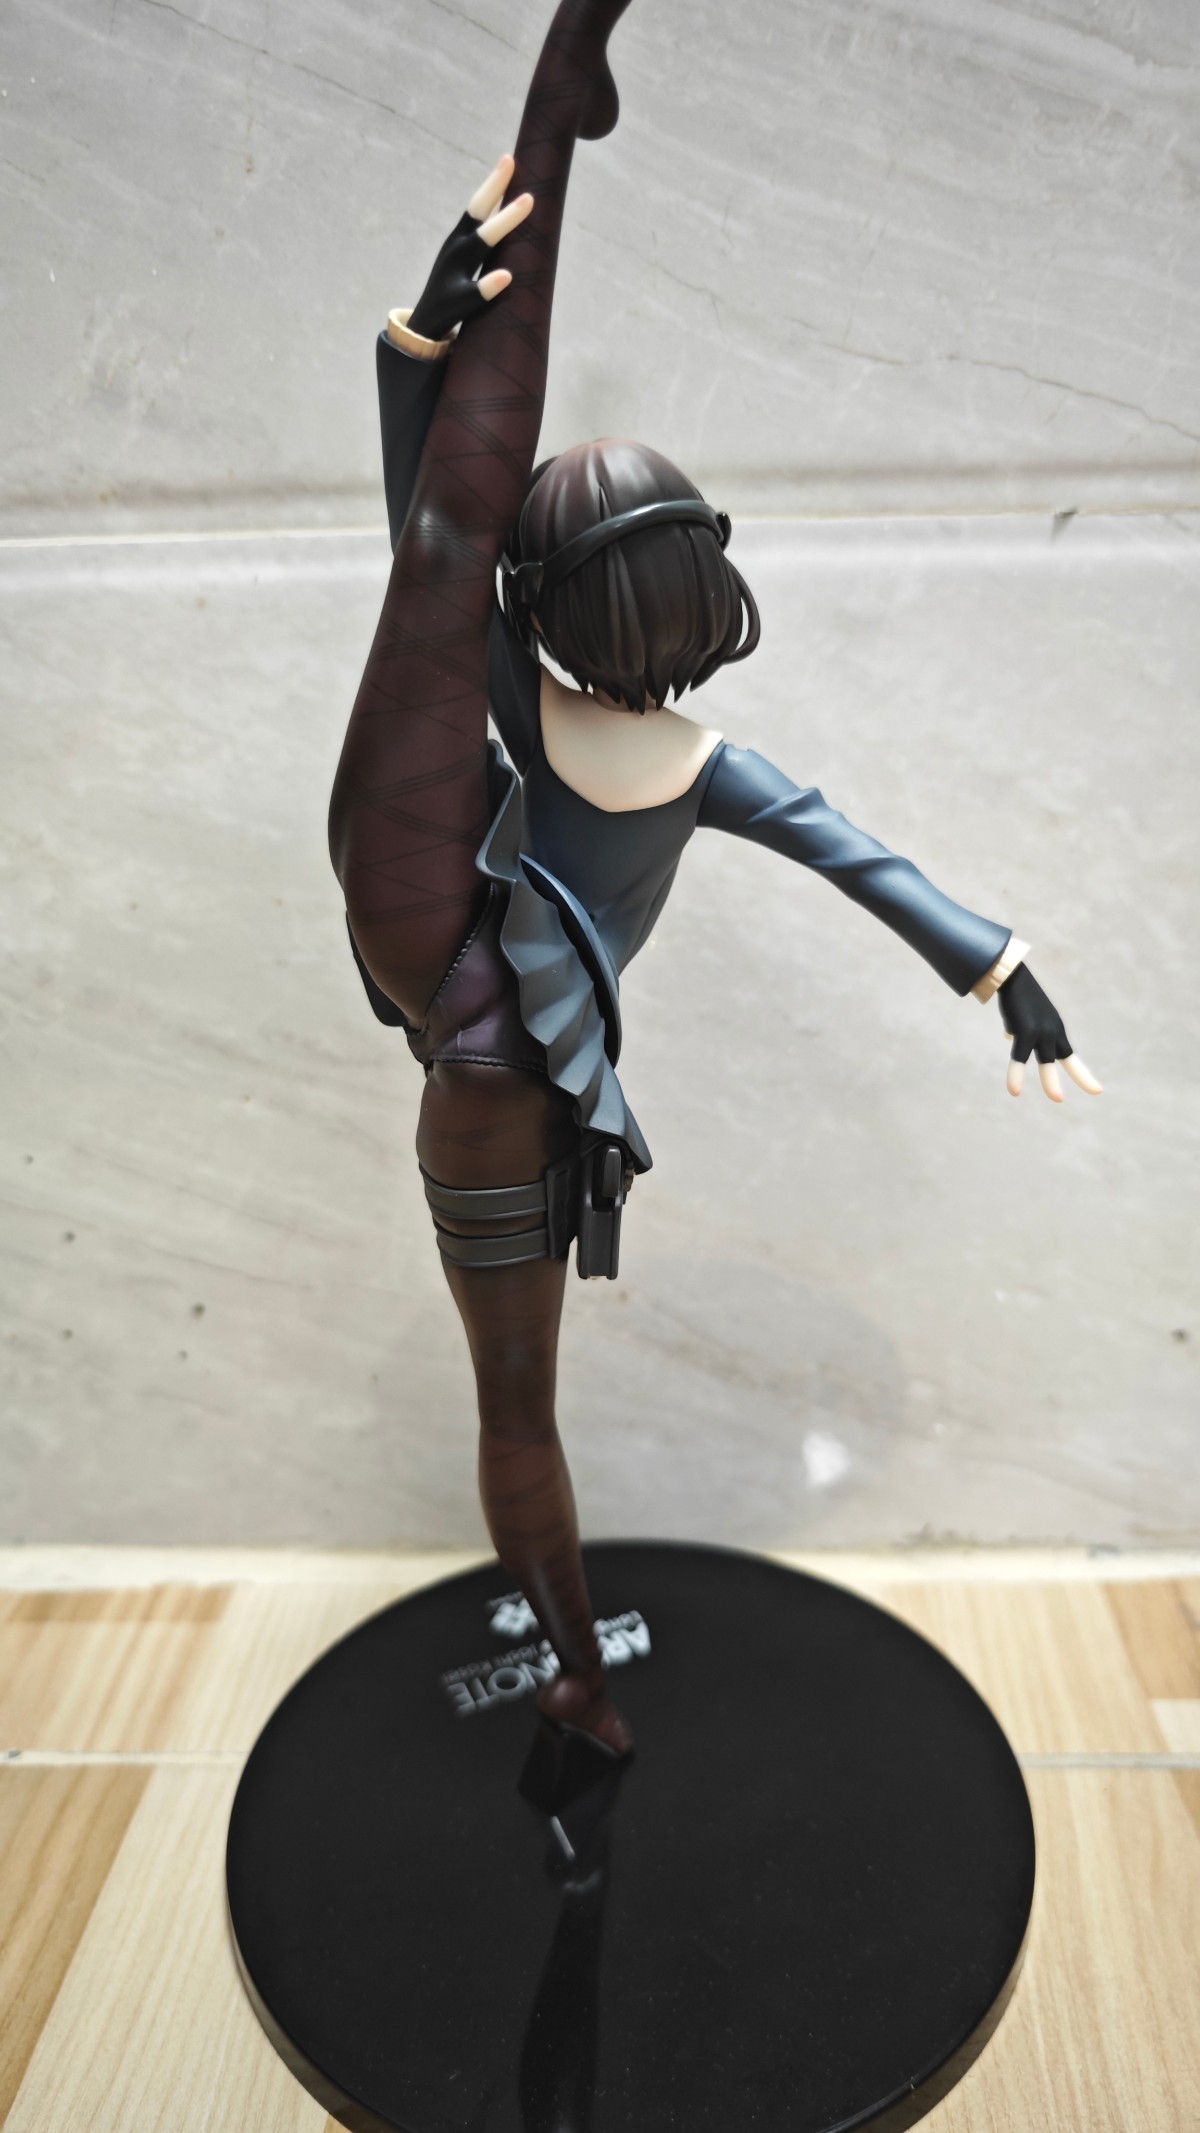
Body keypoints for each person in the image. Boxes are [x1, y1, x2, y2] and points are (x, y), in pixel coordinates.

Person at [328, 0, 1101, 1766]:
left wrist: (416, 346)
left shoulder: (506, 668)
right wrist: (1010, 978)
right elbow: (868, 859)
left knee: (515, 1412)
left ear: (549, 595)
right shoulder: (699, 761)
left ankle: (561, 103)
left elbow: (434, 527)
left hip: (471, 1033)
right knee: (518, 1412)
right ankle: (579, 1677)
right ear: (695, 597)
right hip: (493, 1050)